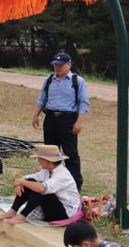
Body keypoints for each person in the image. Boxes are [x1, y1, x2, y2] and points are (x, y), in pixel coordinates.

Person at [32, 52, 89, 190]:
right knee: (50, 152)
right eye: (55, 65)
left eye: (61, 65)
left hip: (68, 119)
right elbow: (42, 99)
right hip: (50, 118)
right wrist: (36, 116)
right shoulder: (50, 80)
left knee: (70, 153)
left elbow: (84, 103)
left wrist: (78, 122)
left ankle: (74, 184)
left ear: (69, 65)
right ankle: (50, 181)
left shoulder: (77, 81)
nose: (57, 68)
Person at [0, 145, 81, 225]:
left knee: (40, 188)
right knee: (31, 182)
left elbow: (42, 188)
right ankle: (13, 211)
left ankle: (23, 216)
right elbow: (29, 178)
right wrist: (19, 182)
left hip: (63, 213)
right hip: (51, 207)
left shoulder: (63, 175)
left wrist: (22, 182)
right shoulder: (47, 170)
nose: (38, 161)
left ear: (48, 160)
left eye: (40, 159)